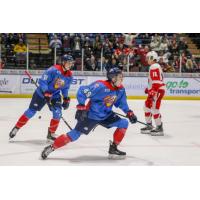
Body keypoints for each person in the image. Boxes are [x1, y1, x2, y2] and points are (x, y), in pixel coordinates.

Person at [41, 67, 137, 160]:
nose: (122, 78)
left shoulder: (120, 89)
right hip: (91, 115)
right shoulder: (100, 86)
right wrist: (81, 105)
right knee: (75, 135)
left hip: (106, 115)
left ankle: (113, 148)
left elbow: (122, 103)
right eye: (120, 77)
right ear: (113, 78)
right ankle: (51, 148)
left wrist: (129, 112)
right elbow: (82, 91)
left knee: (124, 123)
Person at [9, 54, 74, 141]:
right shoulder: (53, 70)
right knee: (31, 112)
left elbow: (65, 88)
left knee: (57, 113)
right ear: (63, 62)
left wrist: (66, 98)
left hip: (55, 95)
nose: (70, 65)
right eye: (69, 63)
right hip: (41, 93)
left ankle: (51, 134)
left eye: (71, 63)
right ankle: (16, 127)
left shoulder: (70, 75)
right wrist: (46, 92)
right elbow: (43, 81)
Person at [140, 51, 166, 136]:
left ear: (152, 58)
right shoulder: (154, 66)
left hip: (157, 90)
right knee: (146, 106)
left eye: (148, 58)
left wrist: (152, 91)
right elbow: (154, 81)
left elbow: (157, 81)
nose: (147, 59)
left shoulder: (154, 66)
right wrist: (149, 89)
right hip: (155, 90)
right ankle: (149, 125)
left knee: (154, 109)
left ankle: (159, 127)